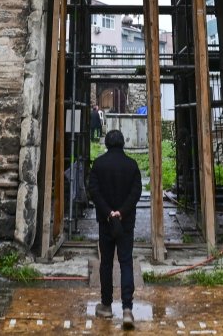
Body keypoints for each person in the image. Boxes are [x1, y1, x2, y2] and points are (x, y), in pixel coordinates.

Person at [88, 128, 142, 327]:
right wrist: (122, 212)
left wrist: (109, 212)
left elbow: (93, 190)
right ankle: (127, 308)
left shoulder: (99, 164)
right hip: (125, 222)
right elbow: (136, 192)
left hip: (106, 221)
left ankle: (107, 306)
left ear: (107, 144)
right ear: (123, 144)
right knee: (126, 262)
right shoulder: (132, 165)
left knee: (106, 263)